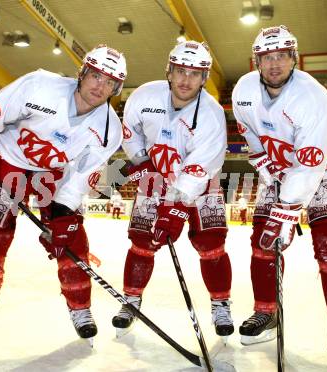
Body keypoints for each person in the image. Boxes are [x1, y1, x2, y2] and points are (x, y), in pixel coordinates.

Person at [0, 44, 127, 349]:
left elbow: (85, 172)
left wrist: (64, 209)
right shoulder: (40, 85)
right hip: (9, 160)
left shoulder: (111, 128)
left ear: (117, 88)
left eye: (109, 82)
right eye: (96, 76)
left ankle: (81, 308)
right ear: (83, 73)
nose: (100, 86)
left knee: (72, 241)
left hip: (55, 175)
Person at [231, 25, 327, 360]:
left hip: (324, 170)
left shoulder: (313, 97)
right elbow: (253, 137)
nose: (274, 64)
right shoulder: (244, 89)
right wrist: (265, 167)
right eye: (267, 57)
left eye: (282, 56)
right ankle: (266, 311)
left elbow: (310, 165)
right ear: (257, 61)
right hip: (279, 172)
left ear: (293, 58)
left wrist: (287, 212)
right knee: (263, 240)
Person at [111, 40, 234, 340]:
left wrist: (174, 209)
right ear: (169, 71)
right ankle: (132, 299)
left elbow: (199, 169)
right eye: (180, 70)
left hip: (203, 182)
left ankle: (221, 304)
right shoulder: (144, 95)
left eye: (194, 73)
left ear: (205, 78)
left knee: (211, 244)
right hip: (156, 176)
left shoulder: (212, 113)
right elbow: (130, 130)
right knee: (141, 241)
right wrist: (141, 161)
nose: (185, 79)